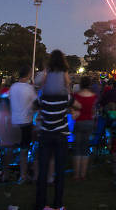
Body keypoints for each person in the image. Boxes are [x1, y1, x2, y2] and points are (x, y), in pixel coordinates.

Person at [35, 50, 71, 210]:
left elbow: (37, 102)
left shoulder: (43, 95)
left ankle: (41, 203)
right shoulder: (66, 96)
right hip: (61, 134)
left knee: (43, 171)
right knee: (60, 171)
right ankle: (58, 203)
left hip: (45, 133)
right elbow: (70, 96)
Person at [9, 65, 37, 183]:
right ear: (28, 74)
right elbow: (37, 103)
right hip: (26, 121)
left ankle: (9, 172)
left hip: (14, 121)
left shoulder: (13, 87)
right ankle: (23, 175)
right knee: (25, 150)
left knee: (14, 149)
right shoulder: (29, 88)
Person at [72, 76, 97, 180]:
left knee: (77, 148)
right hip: (89, 122)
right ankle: (83, 174)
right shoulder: (93, 96)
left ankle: (76, 174)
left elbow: (72, 109)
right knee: (85, 148)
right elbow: (93, 111)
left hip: (79, 121)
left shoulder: (76, 96)